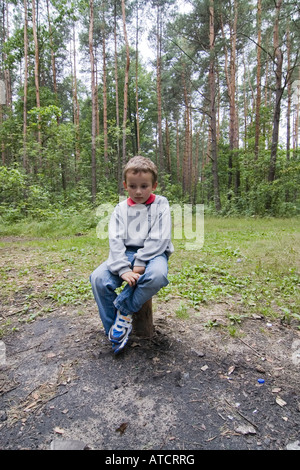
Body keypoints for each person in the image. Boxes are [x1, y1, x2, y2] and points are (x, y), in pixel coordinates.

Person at [90, 156, 174, 354]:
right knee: (98, 278)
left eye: (144, 186)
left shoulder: (161, 204)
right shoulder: (120, 209)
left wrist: (140, 261)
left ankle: (124, 310)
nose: (138, 191)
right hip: (125, 253)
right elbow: (116, 240)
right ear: (125, 185)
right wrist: (122, 268)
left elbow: (159, 238)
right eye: (133, 186)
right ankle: (114, 330)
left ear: (154, 185)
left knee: (157, 276)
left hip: (154, 253)